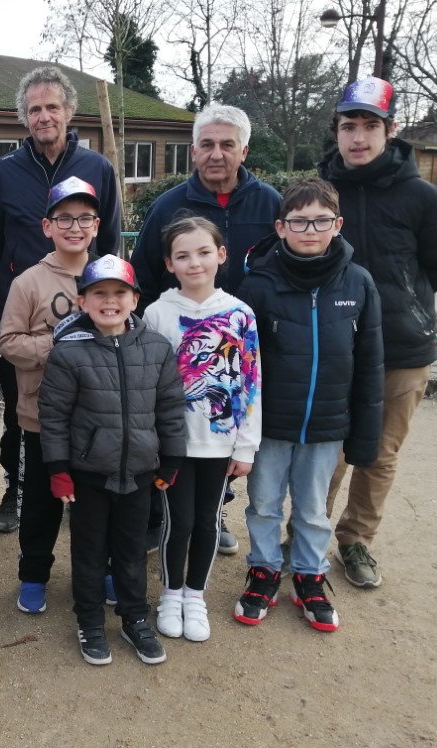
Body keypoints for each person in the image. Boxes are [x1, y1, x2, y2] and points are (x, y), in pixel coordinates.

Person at [317, 77, 437, 589]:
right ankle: (305, 537)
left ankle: (355, 542)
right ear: (336, 132)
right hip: (333, 346)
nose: (358, 137)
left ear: (389, 130)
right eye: (348, 126)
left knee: (377, 454)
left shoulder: (424, 198)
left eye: (370, 126)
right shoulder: (320, 192)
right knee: (323, 452)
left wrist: (400, 307)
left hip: (401, 350)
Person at [233, 178, 384, 631]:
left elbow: (371, 363)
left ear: (337, 225)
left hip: (326, 423)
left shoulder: (358, 283)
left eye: (320, 221)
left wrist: (364, 434)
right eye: (299, 221)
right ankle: (263, 569)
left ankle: (309, 574)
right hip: (271, 424)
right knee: (263, 502)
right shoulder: (257, 285)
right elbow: (242, 365)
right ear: (281, 227)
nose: (310, 230)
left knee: (313, 507)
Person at [130, 103, 280, 555]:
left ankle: (213, 513)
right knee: (176, 432)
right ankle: (162, 516)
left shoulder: (269, 202)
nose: (217, 154)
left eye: (227, 145)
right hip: (180, 346)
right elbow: (143, 277)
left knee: (221, 426)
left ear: (244, 150)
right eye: (208, 144)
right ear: (194, 151)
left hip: (243, 341)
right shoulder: (168, 206)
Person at [0, 65, 122, 534]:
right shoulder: (5, 172)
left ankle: (80, 487)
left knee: (88, 405)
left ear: (69, 112)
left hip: (88, 311)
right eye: (34, 109)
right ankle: (15, 488)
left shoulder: (97, 169)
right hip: (27, 310)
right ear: (24, 119)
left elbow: (110, 241)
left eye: (52, 107)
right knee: (25, 408)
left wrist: (111, 308)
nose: (44, 116)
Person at [38, 255, 187, 665]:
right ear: (82, 301)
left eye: (119, 292)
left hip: (140, 473)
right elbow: (54, 417)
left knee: (131, 550)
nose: (110, 301)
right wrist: (59, 471)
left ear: (134, 299)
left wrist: (171, 460)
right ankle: (89, 620)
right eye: (98, 293)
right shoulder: (68, 353)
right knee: (88, 552)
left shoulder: (157, 348)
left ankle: (134, 617)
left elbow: (171, 408)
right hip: (89, 476)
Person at [143, 216, 261, 642]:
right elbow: (147, 380)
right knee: (178, 521)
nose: (195, 262)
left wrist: (246, 446)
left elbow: (250, 382)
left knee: (208, 521)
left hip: (221, 442)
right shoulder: (157, 313)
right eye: (183, 255)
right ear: (169, 263)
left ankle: (196, 595)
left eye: (204, 252)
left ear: (221, 256)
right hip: (174, 442)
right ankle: (171, 594)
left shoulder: (240, 314)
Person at [0, 176, 100, 615]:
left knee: (96, 505)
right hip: (40, 416)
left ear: (97, 224)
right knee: (40, 502)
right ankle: (34, 573)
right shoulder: (30, 283)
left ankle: (100, 572)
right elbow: (7, 343)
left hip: (98, 419)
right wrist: (57, 346)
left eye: (84, 218)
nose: (74, 227)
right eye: (64, 218)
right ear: (47, 225)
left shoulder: (108, 275)